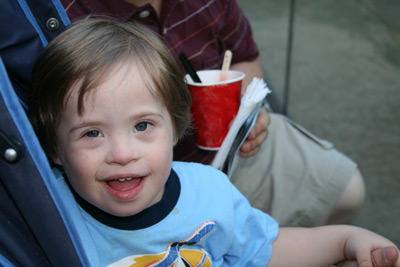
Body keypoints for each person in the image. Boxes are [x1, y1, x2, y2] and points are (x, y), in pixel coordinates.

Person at [28, 19, 400, 267]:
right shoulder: (45, 217)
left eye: (143, 125)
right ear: (54, 148)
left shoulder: (209, 194)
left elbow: (265, 250)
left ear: (175, 128)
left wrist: (346, 242)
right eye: (92, 133)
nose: (123, 154)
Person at [59, 0, 365, 227]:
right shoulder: (57, 15)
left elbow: (244, 58)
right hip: (129, 191)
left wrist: (251, 114)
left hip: (231, 158)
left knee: (348, 191)